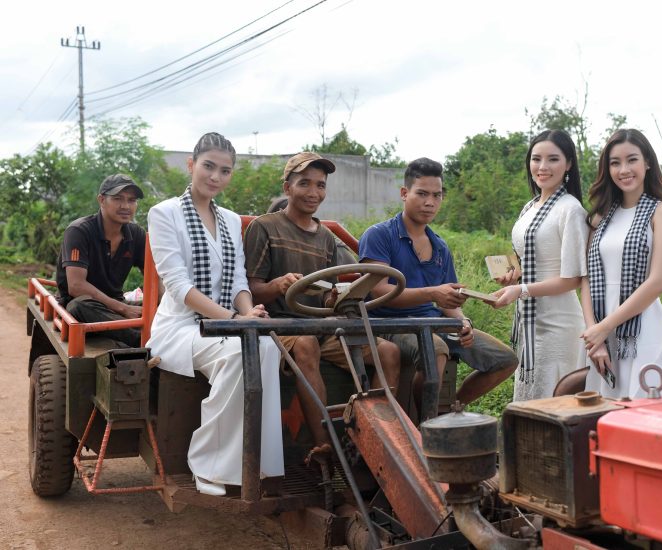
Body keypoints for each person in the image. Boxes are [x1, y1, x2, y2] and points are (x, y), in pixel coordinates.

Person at [146, 132, 283, 496]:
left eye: (224, 171)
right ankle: (207, 465)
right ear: (191, 165)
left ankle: (257, 461)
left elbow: (239, 277)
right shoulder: (164, 214)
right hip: (180, 327)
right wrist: (233, 321)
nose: (215, 177)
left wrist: (248, 314)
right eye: (208, 166)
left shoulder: (230, 219)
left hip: (223, 322)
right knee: (241, 353)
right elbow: (177, 284)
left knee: (266, 347)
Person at [244, 152, 401, 457]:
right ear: (288, 187)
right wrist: (278, 285)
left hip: (323, 327)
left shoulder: (327, 237)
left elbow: (331, 294)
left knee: (388, 351)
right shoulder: (264, 227)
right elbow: (250, 290)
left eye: (320, 185)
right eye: (305, 183)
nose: (314, 192)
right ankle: (325, 445)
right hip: (277, 328)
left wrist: (337, 297)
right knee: (305, 345)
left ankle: (384, 441)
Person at [358, 157, 516, 415]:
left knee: (505, 359)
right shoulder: (379, 235)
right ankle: (426, 427)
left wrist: (462, 320)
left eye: (437, 195)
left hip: (433, 323)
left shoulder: (440, 246)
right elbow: (380, 293)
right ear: (404, 193)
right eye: (421, 194)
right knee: (437, 348)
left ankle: (450, 410)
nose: (430, 202)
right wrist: (433, 293)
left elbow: (448, 299)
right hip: (390, 323)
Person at [580, 128, 662, 398]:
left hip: (641, 331)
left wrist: (605, 326)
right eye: (615, 163)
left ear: (647, 162)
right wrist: (594, 334)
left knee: (644, 413)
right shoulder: (600, 217)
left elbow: (658, 282)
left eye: (632, 159)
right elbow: (586, 278)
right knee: (602, 418)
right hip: (600, 333)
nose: (624, 169)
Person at [492, 130, 589, 401]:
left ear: (568, 164)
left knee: (553, 397)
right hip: (531, 321)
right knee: (530, 396)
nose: (542, 167)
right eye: (536, 159)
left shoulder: (571, 210)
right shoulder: (530, 207)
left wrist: (521, 290)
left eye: (553, 159)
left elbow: (572, 278)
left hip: (559, 323)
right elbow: (530, 261)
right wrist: (514, 276)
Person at [56, 174, 146, 348]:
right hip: (85, 306)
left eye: (132, 200)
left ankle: (167, 334)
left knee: (169, 304)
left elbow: (154, 277)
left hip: (116, 303)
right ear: (102, 200)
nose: (126, 206)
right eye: (118, 199)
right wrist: (124, 310)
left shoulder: (136, 234)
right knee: (79, 305)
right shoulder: (79, 231)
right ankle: (143, 340)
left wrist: (161, 304)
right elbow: (76, 287)